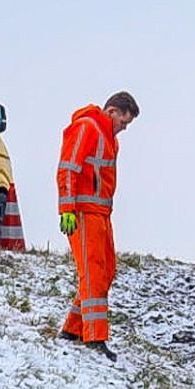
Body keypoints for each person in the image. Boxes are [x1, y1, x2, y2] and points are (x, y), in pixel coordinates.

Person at [57, 91, 139, 358]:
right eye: (123, 123)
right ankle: (94, 336)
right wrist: (67, 209)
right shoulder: (87, 127)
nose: (124, 129)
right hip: (83, 213)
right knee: (92, 272)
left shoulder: (109, 138)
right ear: (112, 111)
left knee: (105, 270)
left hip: (101, 213)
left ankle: (72, 328)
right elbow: (68, 168)